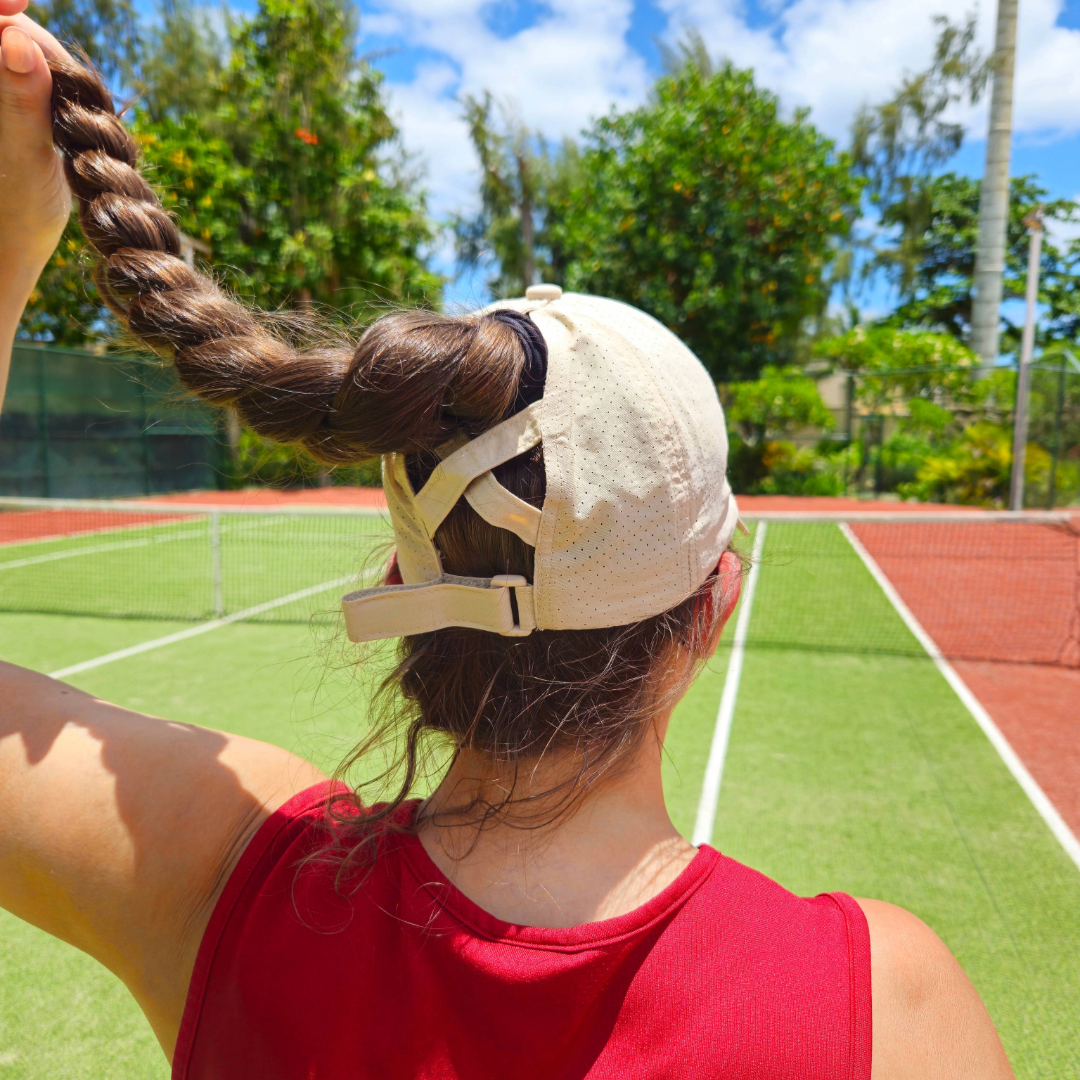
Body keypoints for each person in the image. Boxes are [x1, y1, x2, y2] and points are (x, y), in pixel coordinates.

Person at [0, 8, 1014, 1078]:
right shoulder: (880, 1004)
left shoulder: (224, 880)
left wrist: (16, 231)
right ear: (713, 607)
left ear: (405, 580)